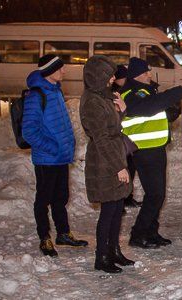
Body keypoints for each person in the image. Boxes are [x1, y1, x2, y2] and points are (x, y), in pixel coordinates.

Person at [120, 57, 182, 249]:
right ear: (137, 75)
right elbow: (149, 107)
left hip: (155, 147)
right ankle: (138, 234)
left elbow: (158, 109)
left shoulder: (146, 90)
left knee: (157, 194)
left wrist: (175, 107)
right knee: (155, 194)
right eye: (146, 72)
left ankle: (151, 231)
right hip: (144, 149)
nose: (149, 74)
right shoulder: (131, 92)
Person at [22, 54, 88, 257]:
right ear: (50, 71)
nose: (64, 71)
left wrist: (66, 146)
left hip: (60, 158)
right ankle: (44, 238)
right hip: (47, 159)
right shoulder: (36, 95)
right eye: (60, 69)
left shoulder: (56, 91)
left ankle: (63, 234)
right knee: (43, 199)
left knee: (61, 197)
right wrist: (53, 148)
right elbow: (29, 131)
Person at [79, 55, 134, 273]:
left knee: (117, 207)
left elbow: (114, 128)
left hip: (114, 155)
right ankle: (101, 257)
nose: (113, 78)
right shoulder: (92, 101)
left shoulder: (104, 97)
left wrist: (122, 109)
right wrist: (118, 167)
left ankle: (114, 251)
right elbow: (101, 138)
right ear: (98, 76)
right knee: (109, 211)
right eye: (109, 74)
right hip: (104, 162)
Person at [112, 64, 142, 208]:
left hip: (130, 137)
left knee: (131, 168)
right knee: (122, 169)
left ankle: (127, 197)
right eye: (122, 77)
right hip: (120, 138)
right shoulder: (114, 93)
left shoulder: (128, 90)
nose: (125, 80)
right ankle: (120, 200)